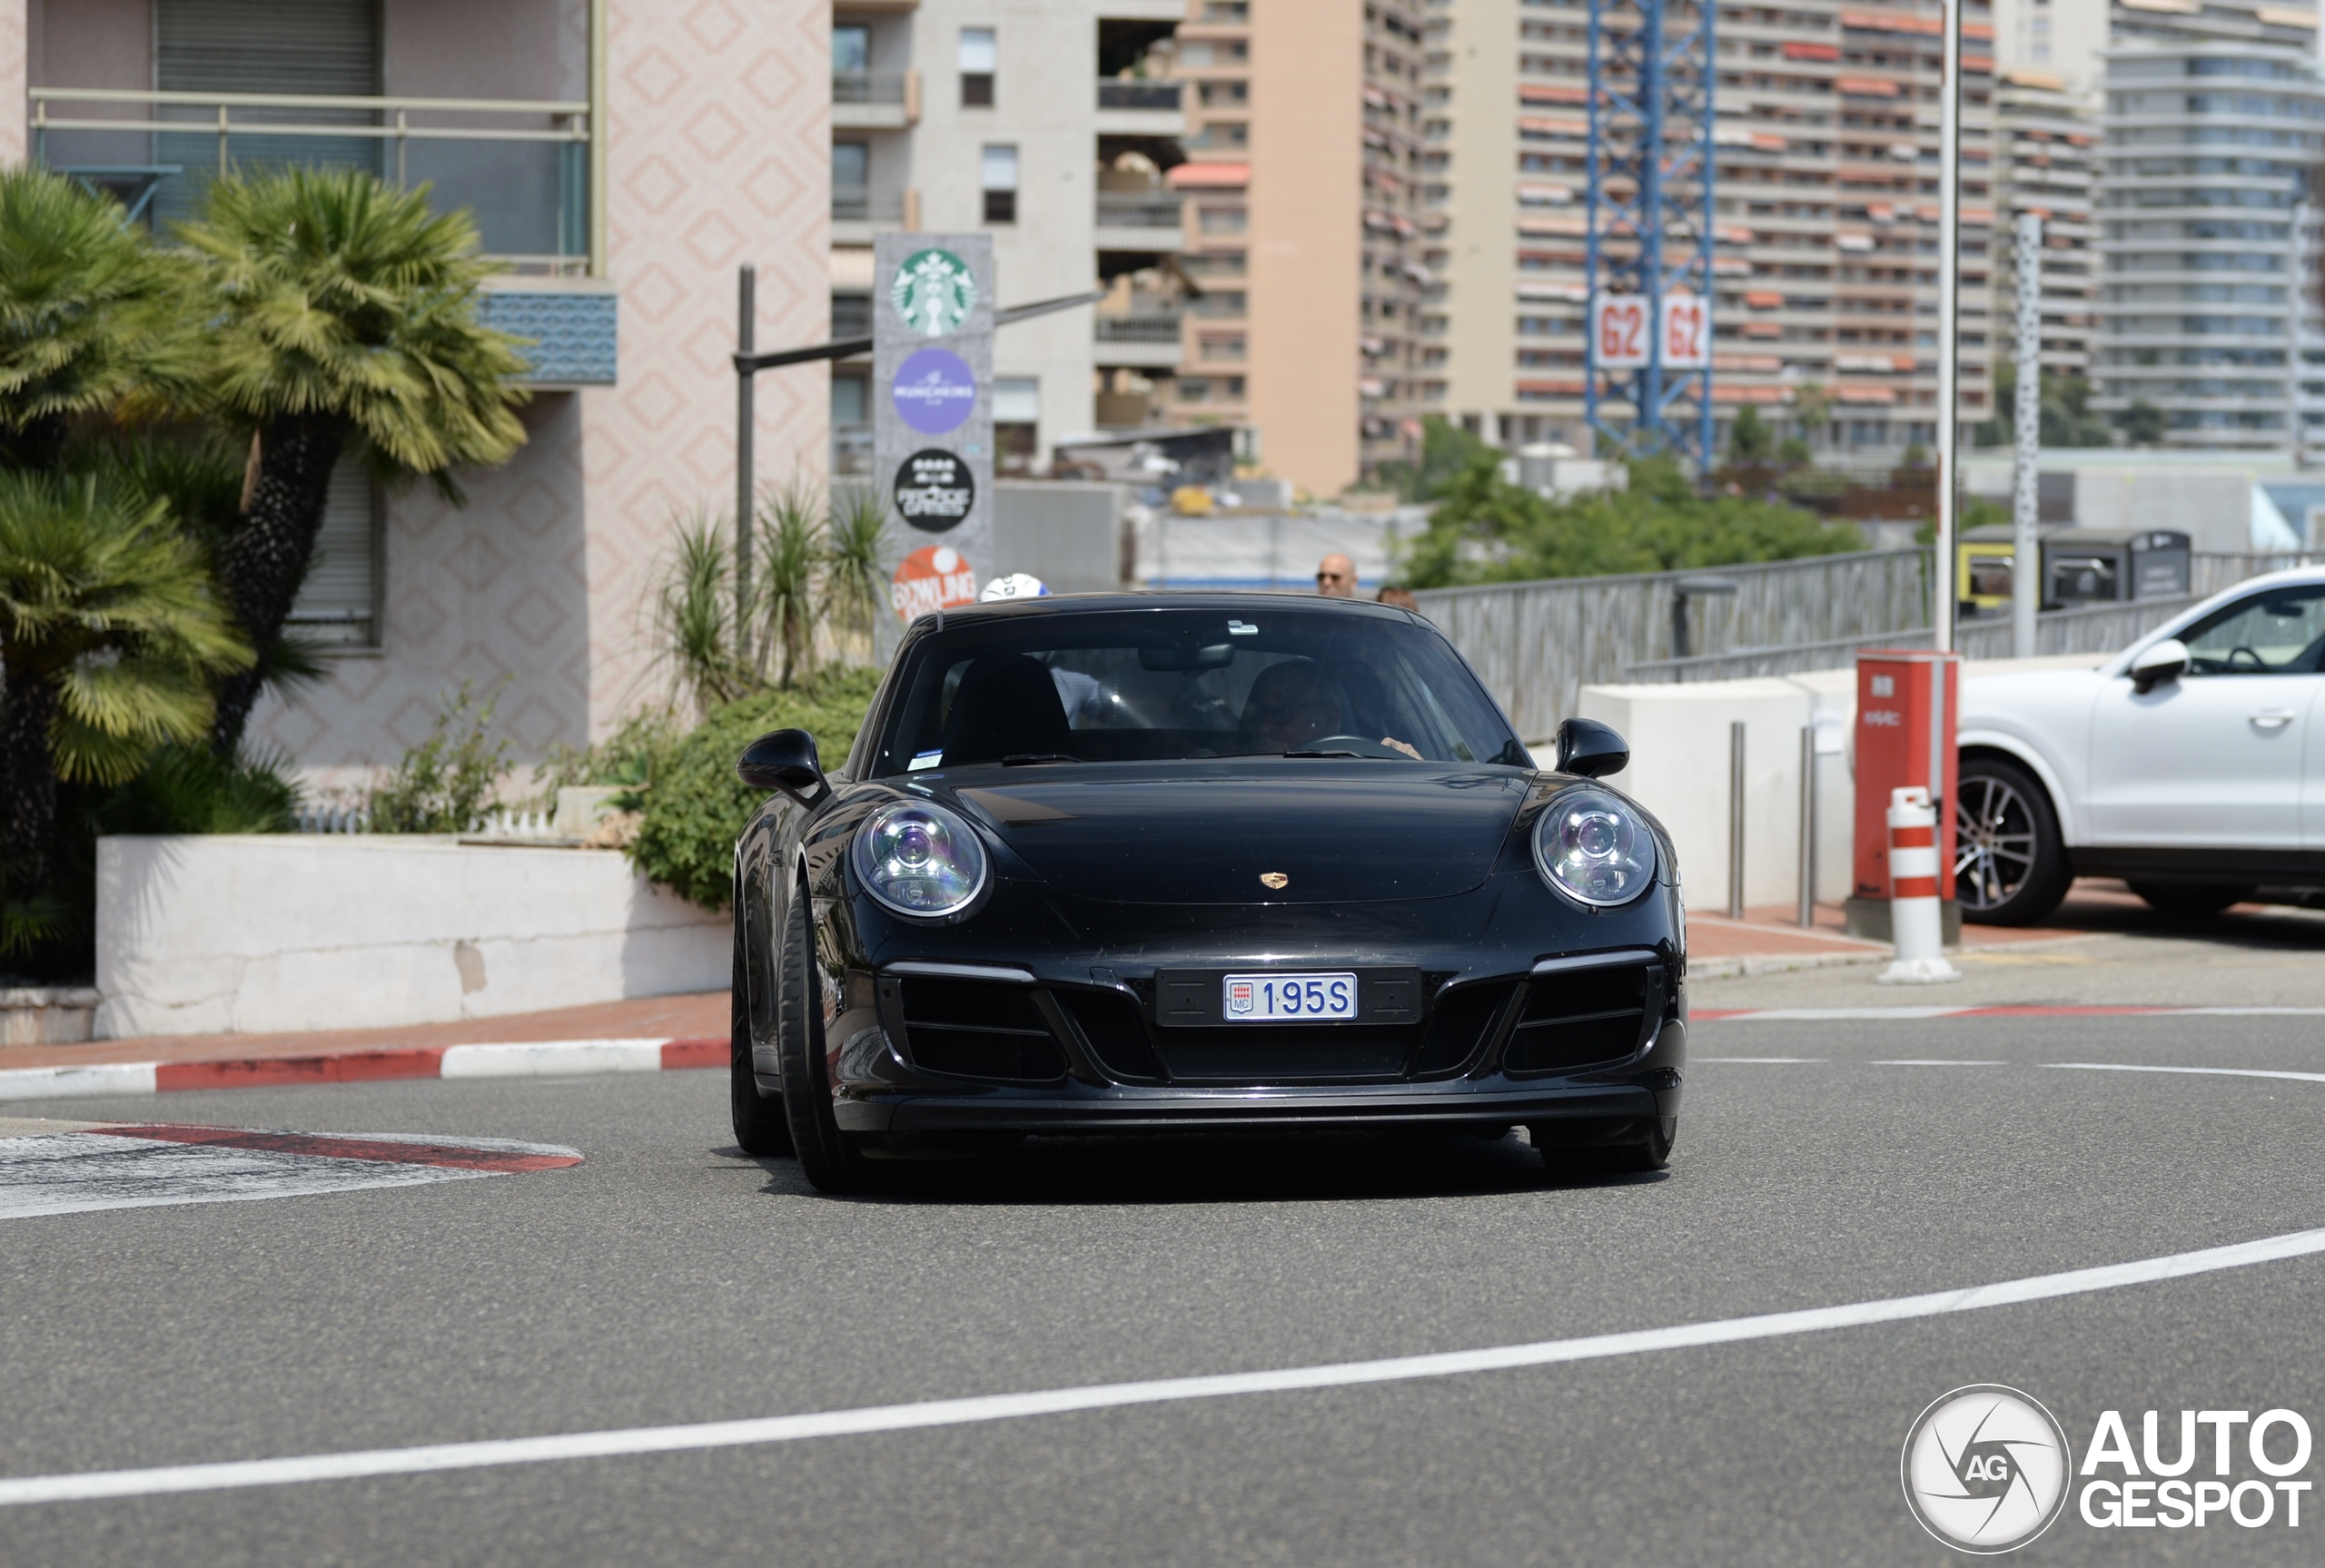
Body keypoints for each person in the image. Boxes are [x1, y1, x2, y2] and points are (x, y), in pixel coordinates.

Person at [1240, 658, 1421, 759]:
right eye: (1259, 715)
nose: (1264, 727)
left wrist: (1411, 764)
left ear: (1329, 719)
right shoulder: (1222, 768)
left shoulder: (1379, 768)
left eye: (1282, 713)